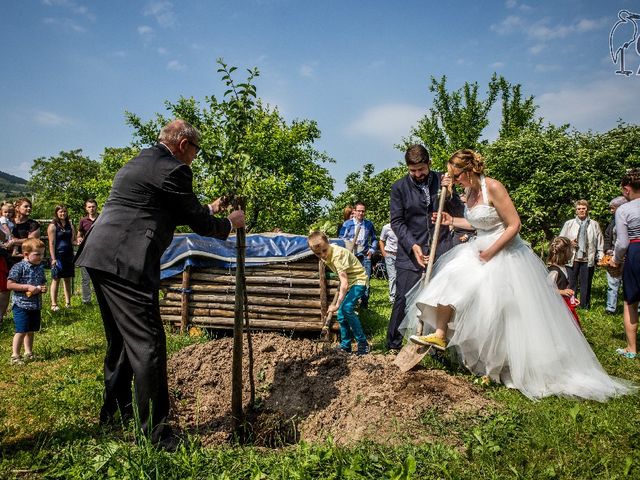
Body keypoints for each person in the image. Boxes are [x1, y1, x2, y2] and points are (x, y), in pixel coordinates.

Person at [404, 149, 634, 401]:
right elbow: (478, 223)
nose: (454, 179)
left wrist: (492, 251)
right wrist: (452, 220)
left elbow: (514, 224)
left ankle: (503, 365)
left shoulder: (493, 187)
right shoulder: (469, 191)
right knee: (451, 280)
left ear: (469, 171)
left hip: (504, 253)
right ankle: (440, 335)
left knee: (499, 310)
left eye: (456, 175)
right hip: (478, 249)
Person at [75, 119, 245, 448]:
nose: (195, 156)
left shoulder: (139, 162)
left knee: (122, 342)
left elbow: (162, 209)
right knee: (149, 345)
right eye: (196, 150)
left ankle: (116, 412)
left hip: (100, 255)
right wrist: (228, 222)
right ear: (183, 144)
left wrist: (209, 208)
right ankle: (156, 436)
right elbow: (198, 223)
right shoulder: (174, 169)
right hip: (126, 262)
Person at [386, 144, 461, 351]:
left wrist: (451, 192)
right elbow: (397, 222)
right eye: (413, 170)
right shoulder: (399, 188)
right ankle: (393, 345)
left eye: (421, 169)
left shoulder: (443, 181)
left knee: (439, 300)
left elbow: (459, 213)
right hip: (411, 252)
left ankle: (435, 345)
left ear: (429, 164)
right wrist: (413, 246)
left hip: (441, 249)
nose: (418, 174)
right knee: (402, 298)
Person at [308, 231, 370, 355]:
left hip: (359, 281)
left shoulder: (337, 255)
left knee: (346, 309)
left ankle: (363, 344)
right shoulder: (327, 254)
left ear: (328, 243)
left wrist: (336, 305)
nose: (323, 255)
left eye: (324, 250)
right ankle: (346, 346)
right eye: (318, 254)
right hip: (350, 282)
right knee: (341, 316)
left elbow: (344, 283)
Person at [609, 169, 640, 359]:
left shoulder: (624, 210)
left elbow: (622, 242)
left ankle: (631, 348)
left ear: (627, 189)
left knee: (631, 301)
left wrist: (616, 260)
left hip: (636, 251)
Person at [6, 238, 47, 365]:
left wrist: (42, 288)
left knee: (31, 330)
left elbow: (42, 282)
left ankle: (28, 352)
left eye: (42, 254)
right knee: (21, 330)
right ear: (26, 254)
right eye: (37, 254)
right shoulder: (18, 267)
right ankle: (15, 355)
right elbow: (9, 285)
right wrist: (27, 287)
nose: (41, 257)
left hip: (35, 305)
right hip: (21, 305)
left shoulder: (39, 267)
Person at [559, 200, 604, 309]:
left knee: (586, 284)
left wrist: (601, 256)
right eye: (579, 208)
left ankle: (585, 305)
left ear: (587, 209)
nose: (581, 210)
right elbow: (560, 239)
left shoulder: (594, 224)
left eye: (583, 208)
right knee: (572, 283)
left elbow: (600, 241)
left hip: (588, 259)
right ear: (576, 210)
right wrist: (569, 242)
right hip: (572, 258)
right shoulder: (569, 224)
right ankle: (571, 304)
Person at [339, 201, 377, 308]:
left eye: (363, 211)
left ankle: (364, 306)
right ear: (354, 211)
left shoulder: (369, 224)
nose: (361, 213)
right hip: (351, 255)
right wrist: (350, 241)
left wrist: (372, 250)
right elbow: (341, 238)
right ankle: (349, 304)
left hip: (364, 255)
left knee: (366, 280)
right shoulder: (347, 224)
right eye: (359, 211)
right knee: (349, 279)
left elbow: (374, 239)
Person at [547, 236, 580, 328]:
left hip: (564, 303)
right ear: (564, 253)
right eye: (570, 250)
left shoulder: (563, 267)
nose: (572, 253)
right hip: (556, 306)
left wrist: (571, 299)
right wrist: (562, 292)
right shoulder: (554, 271)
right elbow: (546, 289)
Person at [47, 204, 76, 311]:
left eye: (64, 211)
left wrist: (80, 242)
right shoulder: (53, 226)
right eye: (60, 212)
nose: (63, 213)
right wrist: (53, 258)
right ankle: (54, 304)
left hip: (69, 255)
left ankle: (68, 303)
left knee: (67, 279)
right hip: (58, 256)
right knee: (56, 279)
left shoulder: (70, 225)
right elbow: (51, 243)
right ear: (56, 213)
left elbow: (72, 241)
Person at [604, 196, 628, 314]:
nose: (611, 211)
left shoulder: (629, 219)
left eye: (613, 208)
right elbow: (608, 236)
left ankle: (634, 307)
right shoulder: (613, 220)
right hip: (613, 254)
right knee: (612, 282)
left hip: (628, 256)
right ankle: (610, 308)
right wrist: (607, 250)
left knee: (629, 283)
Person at [76, 199, 99, 305]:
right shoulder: (83, 220)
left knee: (99, 279)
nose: (91, 208)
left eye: (93, 206)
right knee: (85, 279)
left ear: (97, 207)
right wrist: (79, 239)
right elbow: (79, 234)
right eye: (89, 207)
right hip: (86, 253)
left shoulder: (102, 218)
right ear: (86, 208)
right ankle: (86, 301)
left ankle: (101, 300)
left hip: (100, 253)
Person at [378, 222, 398, 303]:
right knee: (393, 276)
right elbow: (381, 240)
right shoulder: (386, 227)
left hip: (401, 255)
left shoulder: (403, 226)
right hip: (390, 254)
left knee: (401, 276)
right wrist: (384, 253)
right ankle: (392, 297)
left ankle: (400, 295)